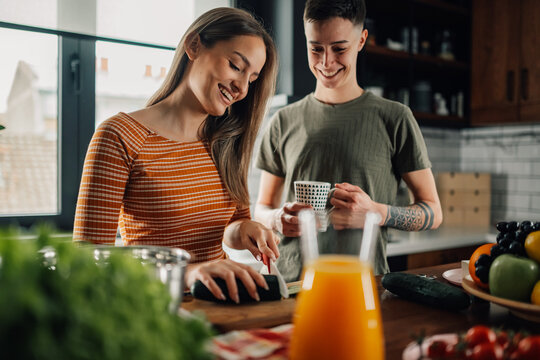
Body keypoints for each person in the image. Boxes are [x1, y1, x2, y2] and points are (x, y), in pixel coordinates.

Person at [74, 7, 279, 303]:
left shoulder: (226, 143)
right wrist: (187, 274)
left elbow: (230, 224)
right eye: (235, 65)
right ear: (194, 45)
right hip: (153, 313)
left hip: (223, 308)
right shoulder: (120, 135)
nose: (242, 88)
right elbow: (85, 263)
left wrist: (246, 228)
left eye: (252, 78)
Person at [254, 0, 442, 281]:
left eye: (339, 48)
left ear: (361, 40)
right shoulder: (282, 120)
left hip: (361, 283)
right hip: (291, 284)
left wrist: (376, 213)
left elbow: (433, 211)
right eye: (315, 48)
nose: (325, 62)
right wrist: (276, 219)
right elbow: (261, 208)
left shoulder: (395, 117)